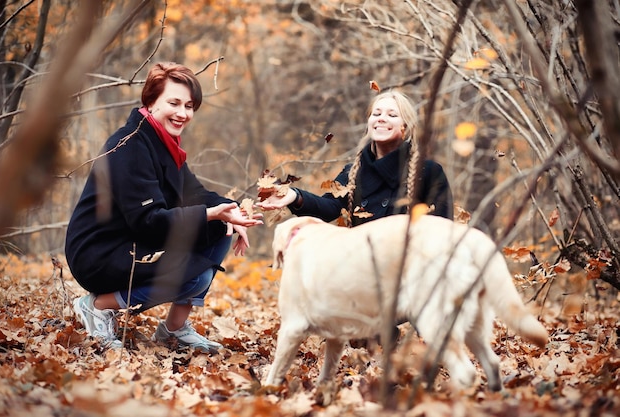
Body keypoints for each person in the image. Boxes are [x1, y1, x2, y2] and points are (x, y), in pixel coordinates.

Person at [65, 62, 263, 351]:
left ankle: (174, 330)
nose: (183, 113)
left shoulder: (163, 144)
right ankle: (96, 305)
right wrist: (210, 213)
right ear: (151, 100)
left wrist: (230, 210)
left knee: (223, 226)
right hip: (100, 252)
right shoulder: (129, 145)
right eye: (174, 103)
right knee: (195, 276)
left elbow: (196, 194)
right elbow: (148, 220)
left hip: (133, 242)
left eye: (190, 105)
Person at [257, 89, 453, 225]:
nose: (381, 118)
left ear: (407, 127)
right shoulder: (353, 172)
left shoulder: (428, 172)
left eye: (392, 115)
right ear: (369, 122)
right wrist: (294, 196)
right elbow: (329, 207)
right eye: (376, 113)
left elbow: (440, 230)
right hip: (362, 268)